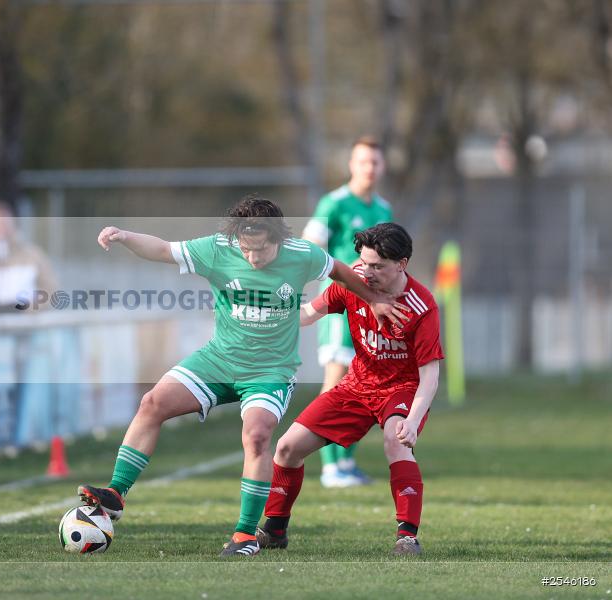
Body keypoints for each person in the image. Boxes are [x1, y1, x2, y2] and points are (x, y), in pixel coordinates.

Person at [76, 195, 409, 557]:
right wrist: (124, 235)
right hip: (219, 359)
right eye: (246, 249)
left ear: (278, 240)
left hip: (271, 370)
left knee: (257, 434)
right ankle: (116, 494)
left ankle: (245, 535)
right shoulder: (219, 248)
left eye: (260, 250)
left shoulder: (302, 254)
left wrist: (373, 299)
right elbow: (162, 250)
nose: (252, 257)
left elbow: (341, 271)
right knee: (152, 402)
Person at [256, 223, 443, 556]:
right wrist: (265, 312)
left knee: (395, 440)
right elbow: (307, 315)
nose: (366, 272)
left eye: (377, 266)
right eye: (364, 262)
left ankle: (407, 537)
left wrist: (413, 420)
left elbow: (430, 373)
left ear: (402, 264)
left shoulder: (421, 305)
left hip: (402, 387)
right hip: (356, 385)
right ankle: (274, 529)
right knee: (286, 448)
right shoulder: (351, 283)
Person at [302, 136, 393, 488]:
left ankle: (346, 462)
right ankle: (329, 466)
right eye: (363, 161)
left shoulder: (383, 209)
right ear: (352, 164)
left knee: (362, 385)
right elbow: (309, 247)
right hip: (341, 307)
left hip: (371, 309)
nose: (369, 168)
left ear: (382, 167)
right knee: (335, 381)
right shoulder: (334, 203)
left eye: (375, 162)